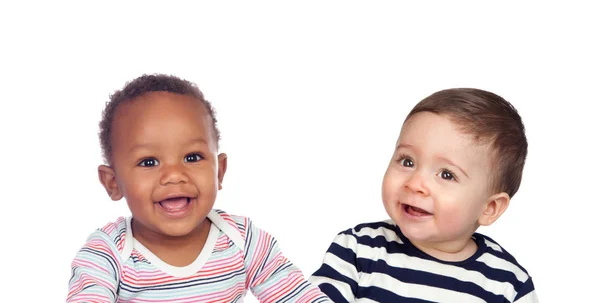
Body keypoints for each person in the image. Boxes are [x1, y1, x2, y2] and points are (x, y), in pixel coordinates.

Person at [67, 74, 330, 303]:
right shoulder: (108, 253)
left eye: (192, 157)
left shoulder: (243, 241)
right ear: (113, 183)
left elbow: (299, 296)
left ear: (219, 171)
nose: (174, 175)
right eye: (149, 162)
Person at [310, 88, 538, 302]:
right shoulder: (358, 249)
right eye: (407, 161)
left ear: (489, 208)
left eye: (447, 175)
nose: (416, 183)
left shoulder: (508, 283)